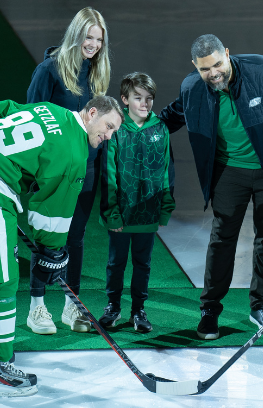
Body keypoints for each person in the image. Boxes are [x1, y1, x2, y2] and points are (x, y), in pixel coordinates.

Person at [0, 96, 123, 397]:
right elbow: (52, 209)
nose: (108, 136)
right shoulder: (74, 152)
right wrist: (53, 252)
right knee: (1, 281)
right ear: (92, 113)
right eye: (108, 126)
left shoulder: (50, 110)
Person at [159, 34, 263, 340]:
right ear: (195, 66)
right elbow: (171, 117)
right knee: (222, 239)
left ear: (227, 54)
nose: (214, 73)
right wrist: (133, 129)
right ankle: (209, 310)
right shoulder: (192, 87)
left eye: (218, 64)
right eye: (205, 69)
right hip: (228, 173)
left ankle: (261, 307)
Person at [25, 6, 111, 335]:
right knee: (49, 239)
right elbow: (32, 121)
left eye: (98, 39)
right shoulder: (48, 71)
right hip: (55, 174)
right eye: (88, 37)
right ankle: (37, 308)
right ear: (76, 35)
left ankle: (71, 306)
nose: (93, 44)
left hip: (86, 172)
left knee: (74, 240)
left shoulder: (96, 74)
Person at [98, 72, 175, 333]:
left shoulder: (160, 129)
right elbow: (108, 175)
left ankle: (138, 310)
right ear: (124, 99)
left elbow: (166, 171)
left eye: (149, 98)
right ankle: (113, 306)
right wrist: (112, 213)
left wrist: (164, 208)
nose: (145, 103)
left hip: (148, 214)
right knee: (116, 262)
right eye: (138, 97)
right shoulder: (116, 130)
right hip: (122, 214)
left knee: (143, 264)